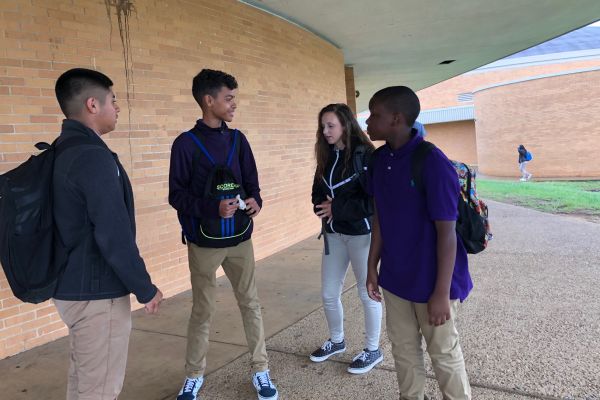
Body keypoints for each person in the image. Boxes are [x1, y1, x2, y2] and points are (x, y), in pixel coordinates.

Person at [52, 68, 163, 400]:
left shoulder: (61, 150)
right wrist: (145, 288)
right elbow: (114, 235)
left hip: (72, 288)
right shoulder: (93, 158)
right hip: (97, 295)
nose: (117, 108)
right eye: (113, 101)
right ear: (92, 105)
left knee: (84, 383)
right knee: (99, 391)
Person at [169, 69, 277, 400]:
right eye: (228, 99)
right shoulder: (185, 144)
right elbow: (176, 195)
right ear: (209, 100)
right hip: (204, 242)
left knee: (251, 304)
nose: (234, 105)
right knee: (203, 310)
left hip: (240, 240)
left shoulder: (238, 139)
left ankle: (261, 370)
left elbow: (251, 180)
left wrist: (256, 200)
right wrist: (211, 209)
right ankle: (193, 376)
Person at [365, 86, 472, 400]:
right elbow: (380, 218)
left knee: (443, 353)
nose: (368, 122)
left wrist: (440, 293)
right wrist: (372, 266)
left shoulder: (432, 162)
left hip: (433, 282)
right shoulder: (379, 159)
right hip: (396, 278)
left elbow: (447, 233)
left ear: (396, 119)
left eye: (375, 115)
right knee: (404, 351)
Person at [309, 103, 383, 374]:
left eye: (331, 125)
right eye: (323, 126)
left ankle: (373, 350)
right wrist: (322, 207)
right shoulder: (327, 156)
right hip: (334, 234)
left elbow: (374, 201)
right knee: (329, 293)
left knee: (368, 294)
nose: (325, 131)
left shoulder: (366, 156)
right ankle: (337, 341)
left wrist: (336, 208)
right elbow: (318, 192)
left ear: (345, 126)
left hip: (362, 236)